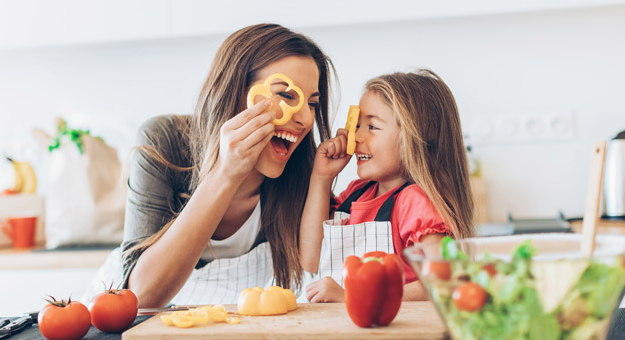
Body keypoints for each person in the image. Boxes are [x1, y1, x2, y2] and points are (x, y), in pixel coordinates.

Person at [120, 24, 336, 308]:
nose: (306, 119)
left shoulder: (304, 172)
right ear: (235, 91)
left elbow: (315, 269)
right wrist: (226, 173)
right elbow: (142, 298)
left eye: (312, 103)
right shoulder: (164, 140)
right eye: (286, 96)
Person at [299, 69, 474, 303]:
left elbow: (445, 281)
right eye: (357, 125)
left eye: (371, 127)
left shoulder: (414, 202)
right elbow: (311, 260)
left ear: (413, 138)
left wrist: (354, 296)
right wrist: (321, 177)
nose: (356, 137)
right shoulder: (356, 194)